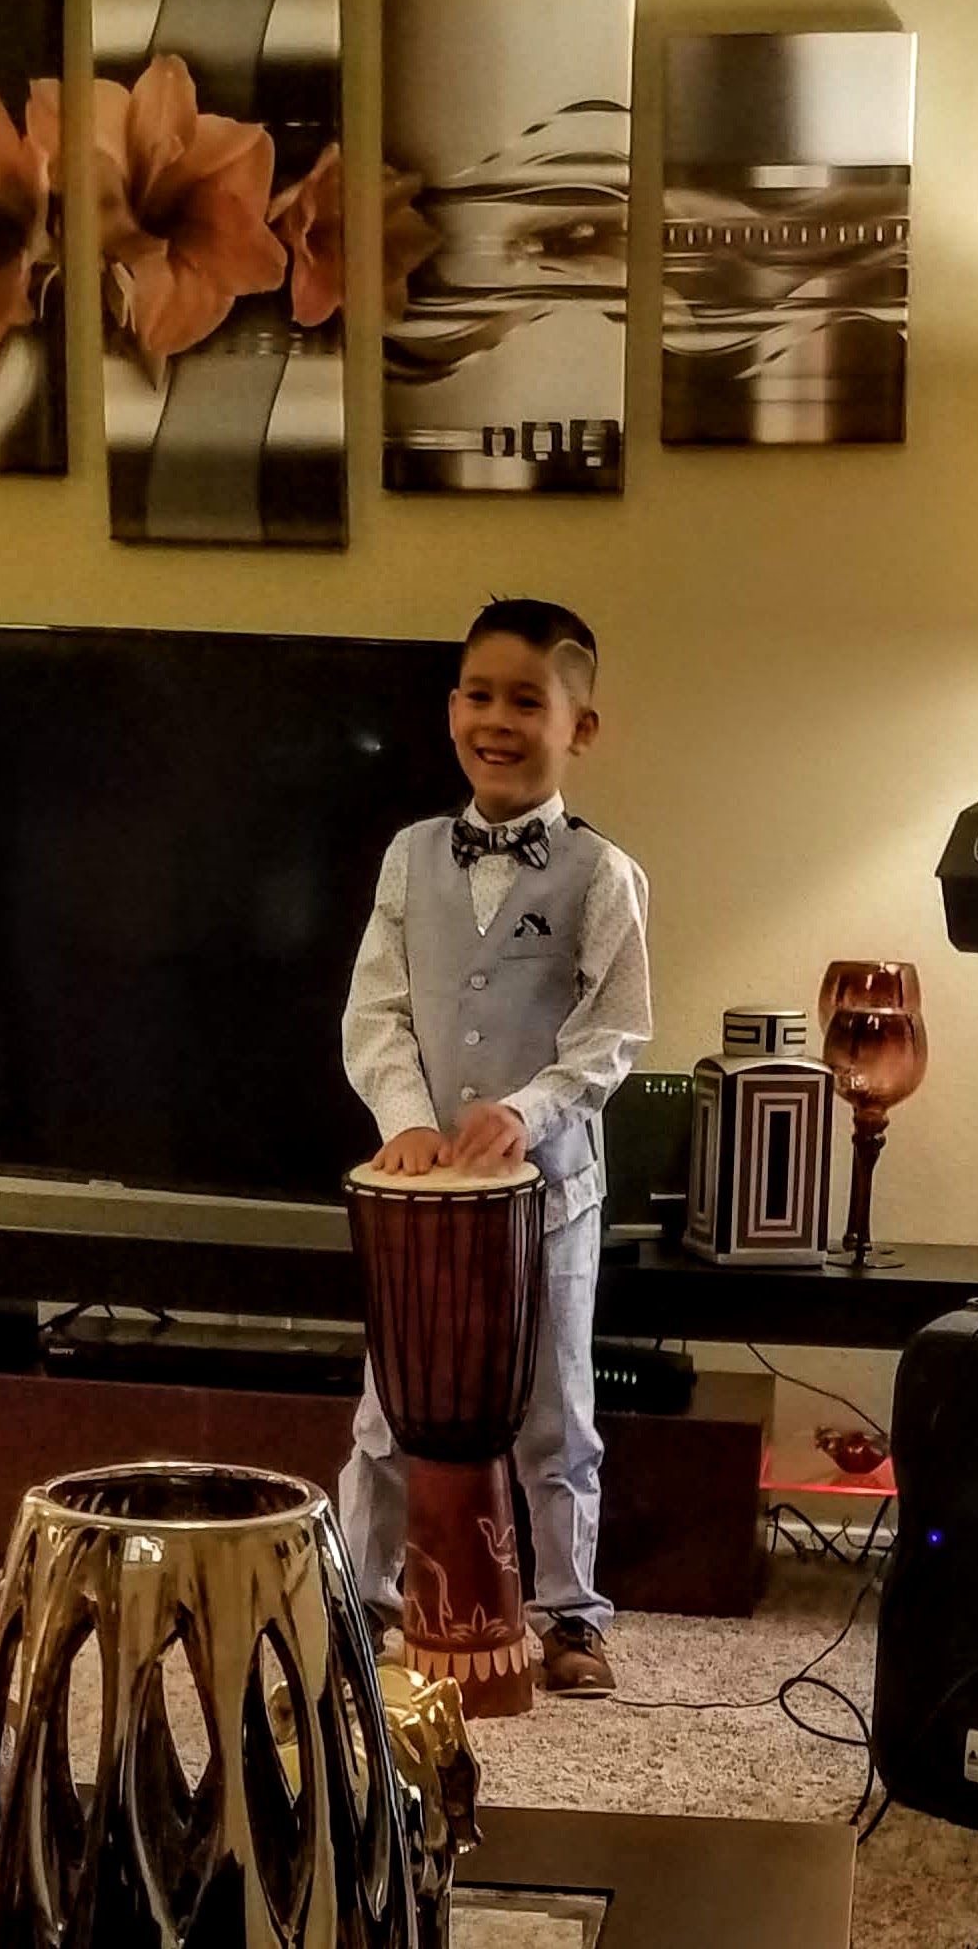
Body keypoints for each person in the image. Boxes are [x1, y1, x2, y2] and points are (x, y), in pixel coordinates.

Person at [339, 597, 652, 1697]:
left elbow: (613, 1035)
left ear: (582, 727)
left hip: (546, 1200)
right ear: (451, 709)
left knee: (556, 1411)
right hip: (422, 1201)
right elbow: (375, 1014)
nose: (498, 719)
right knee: (389, 1407)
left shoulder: (602, 877)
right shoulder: (409, 856)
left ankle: (570, 1615)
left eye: (529, 699)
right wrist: (407, 1122)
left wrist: (530, 1109)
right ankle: (360, 1595)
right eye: (480, 695)